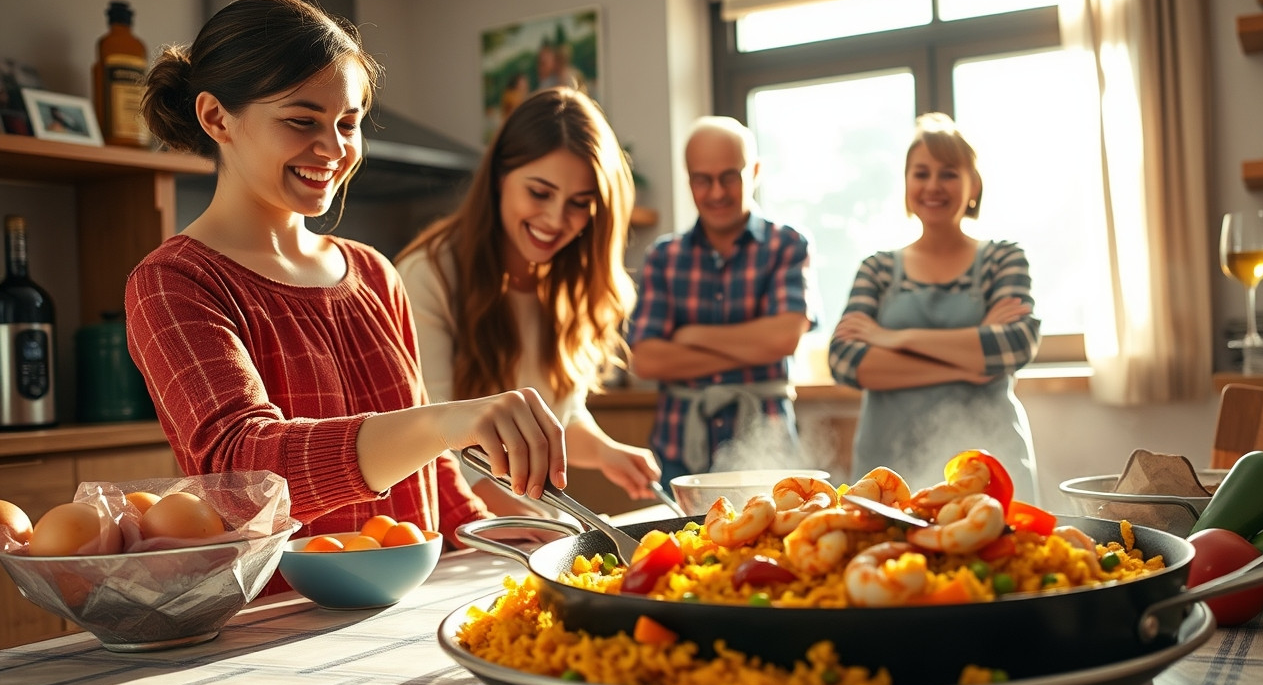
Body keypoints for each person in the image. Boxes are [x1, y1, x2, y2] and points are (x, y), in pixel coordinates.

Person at [125, 0, 567, 592]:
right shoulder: (175, 282)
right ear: (216, 118)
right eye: (302, 121)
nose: (334, 149)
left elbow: (430, 474)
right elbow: (243, 474)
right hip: (282, 619)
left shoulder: (374, 273)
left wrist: (487, 528)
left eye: (348, 124)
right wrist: (446, 421)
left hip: (407, 606)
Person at [396, 86, 658, 509]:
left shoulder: (566, 281)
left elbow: (560, 417)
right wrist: (530, 520)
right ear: (500, 177)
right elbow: (432, 439)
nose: (555, 220)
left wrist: (606, 451)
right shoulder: (429, 276)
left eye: (579, 203)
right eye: (539, 193)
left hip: (527, 522)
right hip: (454, 523)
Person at [827, 112, 1041, 502]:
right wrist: (971, 362)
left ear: (974, 184)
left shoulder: (1003, 258)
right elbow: (846, 362)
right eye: (921, 173)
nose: (933, 186)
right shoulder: (877, 268)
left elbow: (1014, 345)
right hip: (890, 470)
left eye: (949, 173)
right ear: (906, 183)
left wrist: (895, 338)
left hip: (990, 465)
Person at [628, 116, 819, 495]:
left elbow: (783, 339)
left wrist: (691, 336)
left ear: (756, 171)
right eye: (703, 179)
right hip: (679, 448)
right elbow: (647, 360)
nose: (716, 192)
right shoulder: (663, 256)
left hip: (768, 446)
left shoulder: (788, 244)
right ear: (689, 180)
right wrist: (752, 346)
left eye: (729, 177)